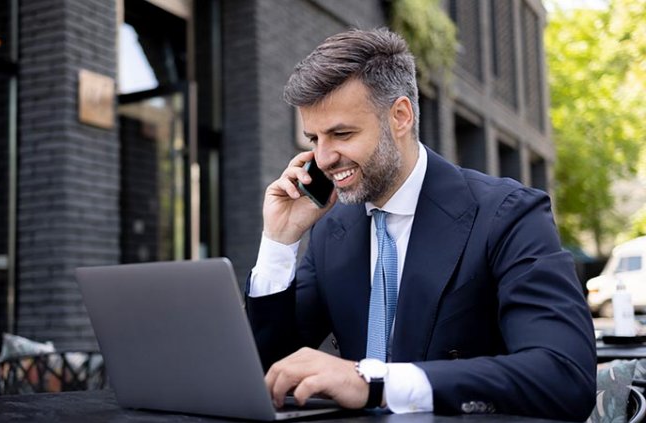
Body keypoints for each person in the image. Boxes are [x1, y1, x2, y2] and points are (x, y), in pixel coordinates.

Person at [245, 28, 596, 420]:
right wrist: (279, 240)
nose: (323, 158)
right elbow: (274, 373)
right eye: (313, 139)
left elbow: (563, 377)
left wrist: (375, 383)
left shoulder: (508, 214)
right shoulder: (332, 229)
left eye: (341, 134)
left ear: (400, 116)